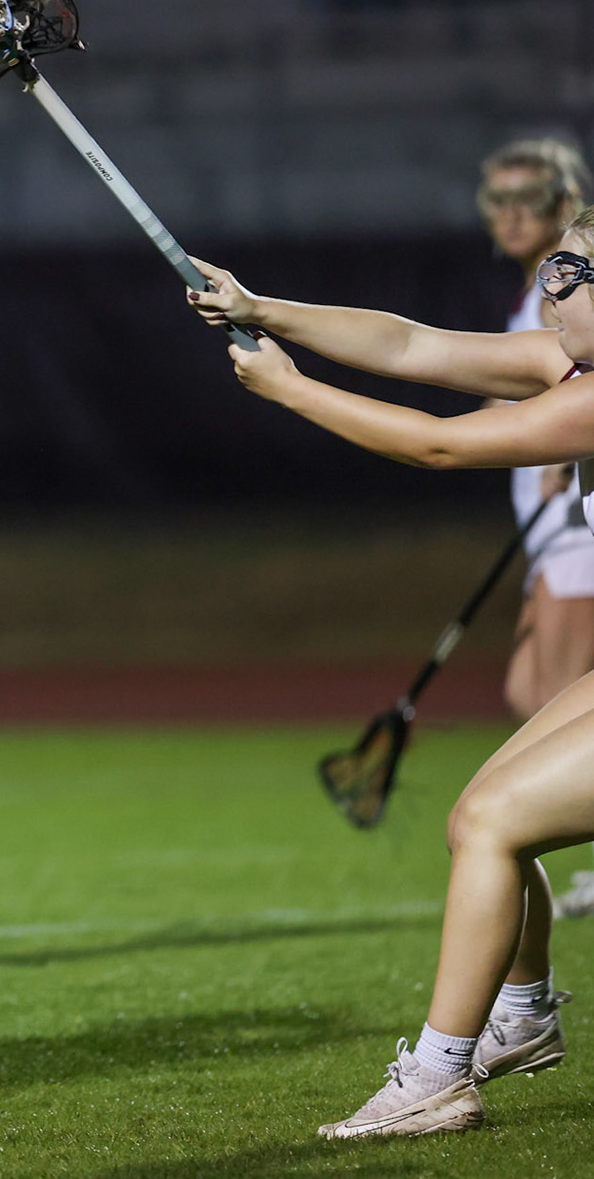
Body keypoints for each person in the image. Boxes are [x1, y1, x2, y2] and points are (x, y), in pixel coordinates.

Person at [185, 225, 594, 1138]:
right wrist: (259, 307)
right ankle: (524, 1012)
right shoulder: (566, 366)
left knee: (491, 824)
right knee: (480, 818)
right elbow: (413, 346)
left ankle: (440, 1079)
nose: (550, 288)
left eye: (570, 271)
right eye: (551, 267)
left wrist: (293, 390)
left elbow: (437, 447)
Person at [477, 139, 594, 918]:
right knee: (527, 689)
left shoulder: (574, 296)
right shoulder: (541, 300)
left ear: (563, 203)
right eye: (499, 200)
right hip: (547, 530)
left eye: (531, 198)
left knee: (557, 699)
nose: (513, 214)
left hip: (576, 534)